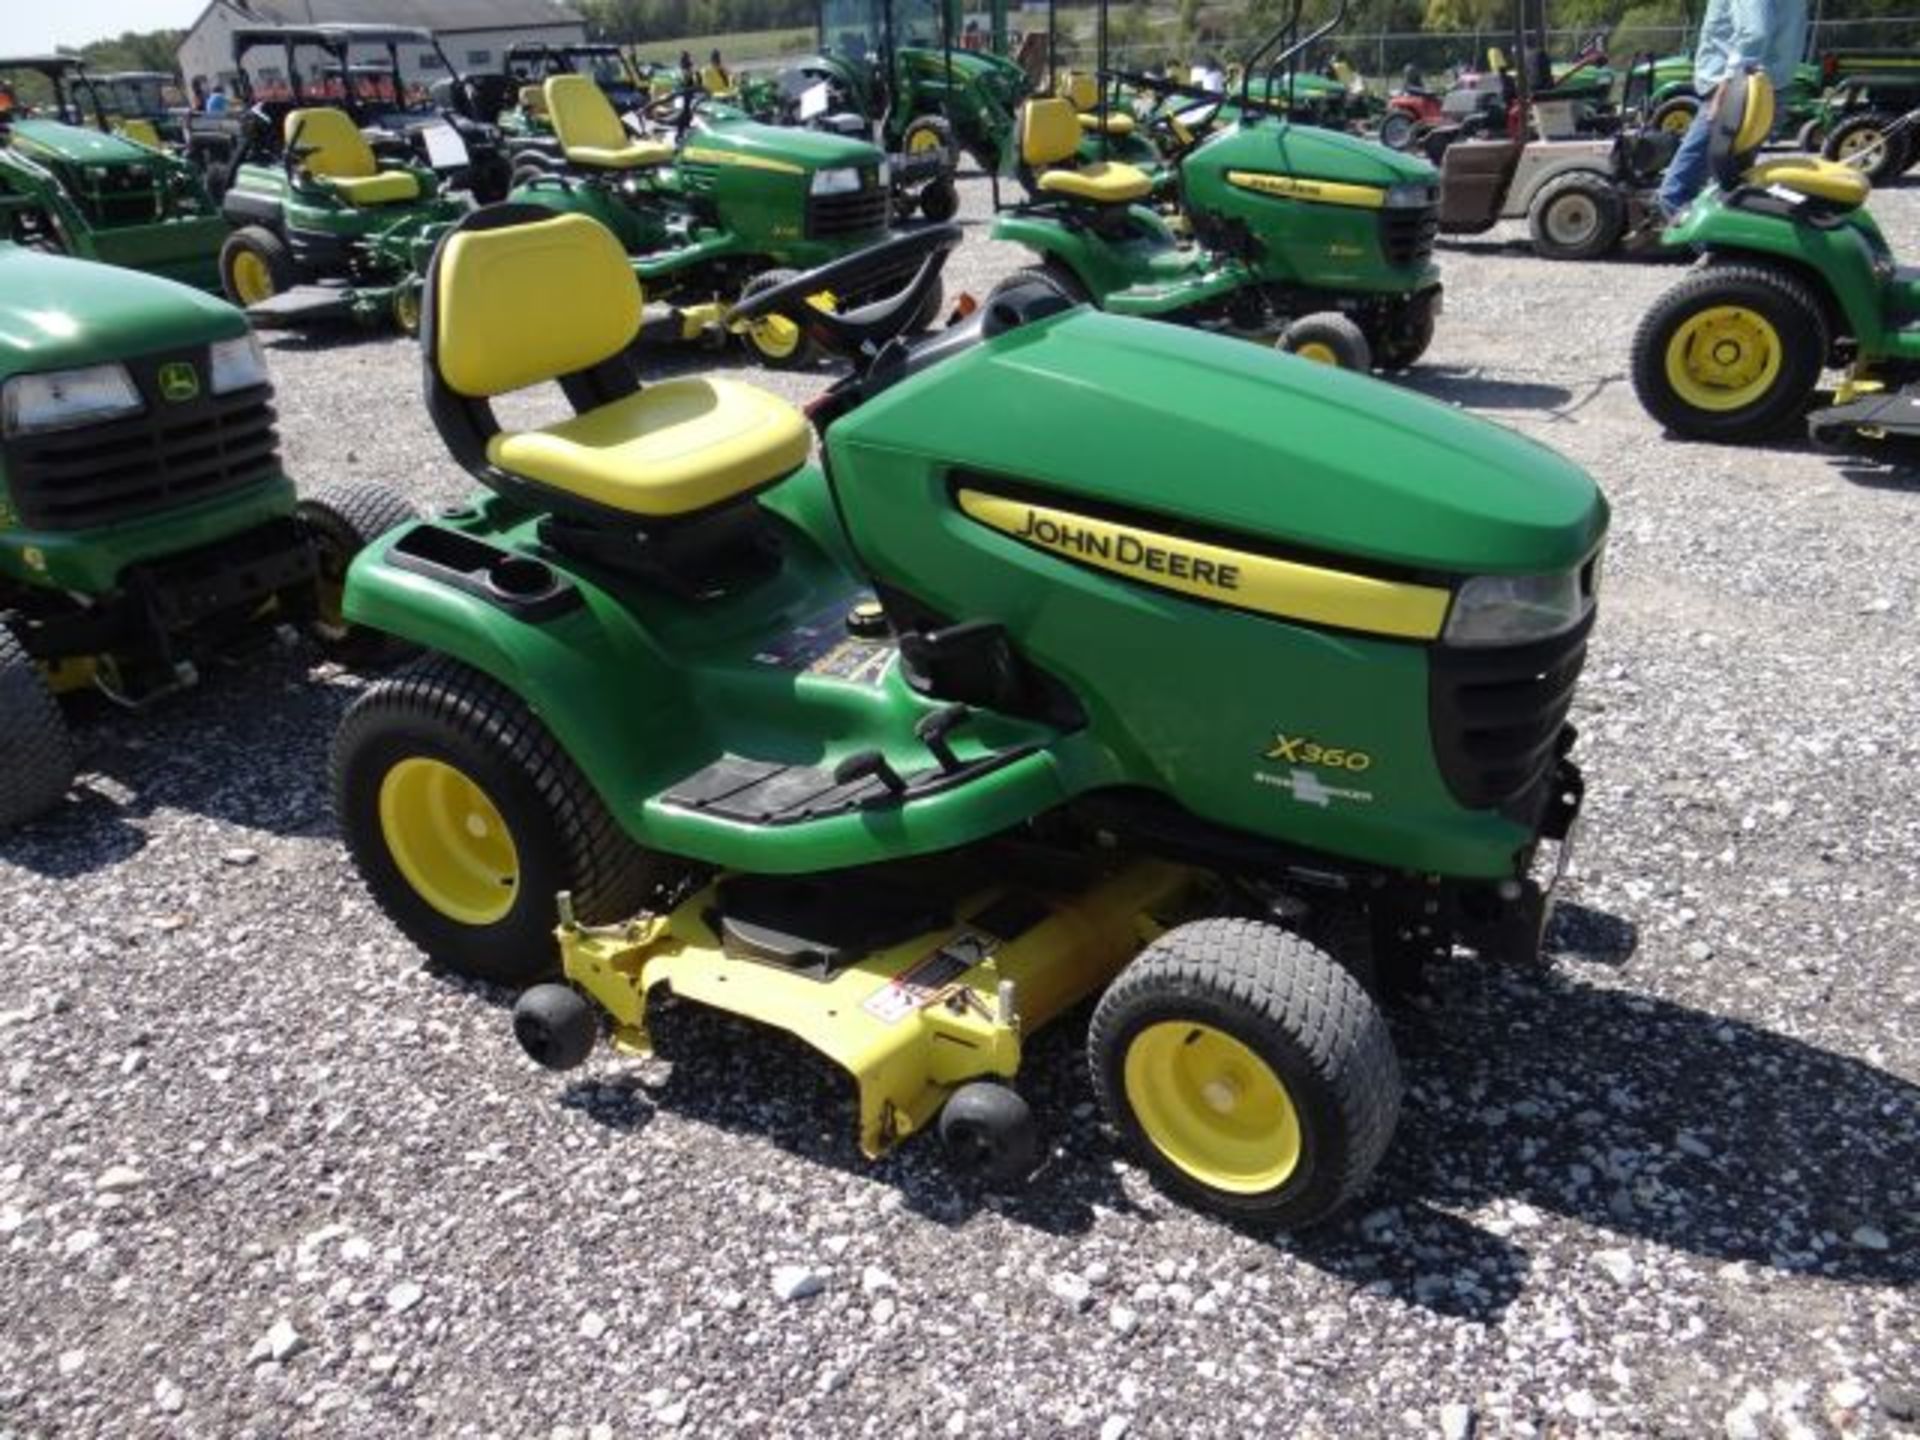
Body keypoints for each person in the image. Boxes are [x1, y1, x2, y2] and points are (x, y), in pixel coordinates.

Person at [1657, 0, 1809, 218]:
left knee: (1675, 193)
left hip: (1736, 91)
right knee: (1731, 189)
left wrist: (1729, 84)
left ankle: (1710, 251)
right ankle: (1728, 248)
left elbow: (1754, 32)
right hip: (1768, 88)